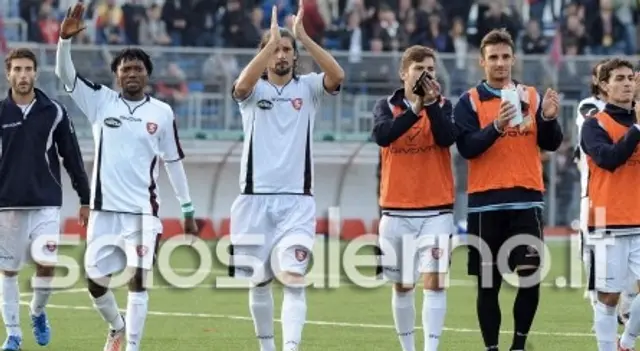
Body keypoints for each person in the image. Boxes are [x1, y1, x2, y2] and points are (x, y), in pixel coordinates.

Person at [55, 4, 198, 351]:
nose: (131, 73)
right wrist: (64, 42)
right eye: (125, 68)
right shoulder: (101, 102)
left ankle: (132, 347)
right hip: (104, 213)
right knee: (94, 283)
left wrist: (188, 210)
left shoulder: (161, 113)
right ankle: (116, 326)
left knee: (139, 279)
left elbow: (173, 161)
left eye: (137, 68)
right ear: (116, 75)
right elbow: (65, 75)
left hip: (142, 213)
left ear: (146, 74)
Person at [227, 2, 344, 350]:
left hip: (297, 202)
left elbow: (337, 77)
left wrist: (304, 38)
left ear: (295, 57)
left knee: (294, 279)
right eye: (275, 48)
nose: (281, 54)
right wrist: (269, 43)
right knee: (259, 282)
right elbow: (240, 86)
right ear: (265, 53)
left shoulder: (307, 89)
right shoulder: (254, 94)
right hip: (253, 200)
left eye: (286, 49)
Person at [453, 29, 562, 351]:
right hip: (485, 203)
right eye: (493, 58)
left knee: (529, 273)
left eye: (505, 57)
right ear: (482, 62)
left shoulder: (531, 95)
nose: (500, 63)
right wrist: (497, 126)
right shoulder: (469, 101)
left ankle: (518, 345)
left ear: (514, 59)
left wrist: (549, 119)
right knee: (489, 285)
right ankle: (492, 349)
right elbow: (467, 148)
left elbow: (551, 143)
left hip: (526, 200)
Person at [0, 48, 90, 351]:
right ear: (8, 73)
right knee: (8, 271)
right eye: (17, 69)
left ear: (36, 73)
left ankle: (37, 312)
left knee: (47, 265)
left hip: (46, 202)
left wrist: (85, 198)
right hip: (7, 204)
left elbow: (72, 157)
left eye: (28, 69)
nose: (23, 75)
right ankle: (13, 334)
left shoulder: (54, 111)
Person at [372, 45, 456, 351]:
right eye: (420, 69)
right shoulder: (385, 105)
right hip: (396, 211)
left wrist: (430, 104)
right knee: (403, 285)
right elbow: (384, 135)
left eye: (431, 69)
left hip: (436, 211)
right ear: (403, 73)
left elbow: (447, 137)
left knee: (434, 281)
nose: (426, 74)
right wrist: (416, 107)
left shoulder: (445, 106)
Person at [580, 58, 640, 351]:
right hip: (607, 222)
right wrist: (637, 129)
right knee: (609, 298)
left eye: (630, 77)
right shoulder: (594, 125)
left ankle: (626, 342)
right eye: (619, 78)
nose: (627, 83)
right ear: (604, 85)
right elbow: (609, 159)